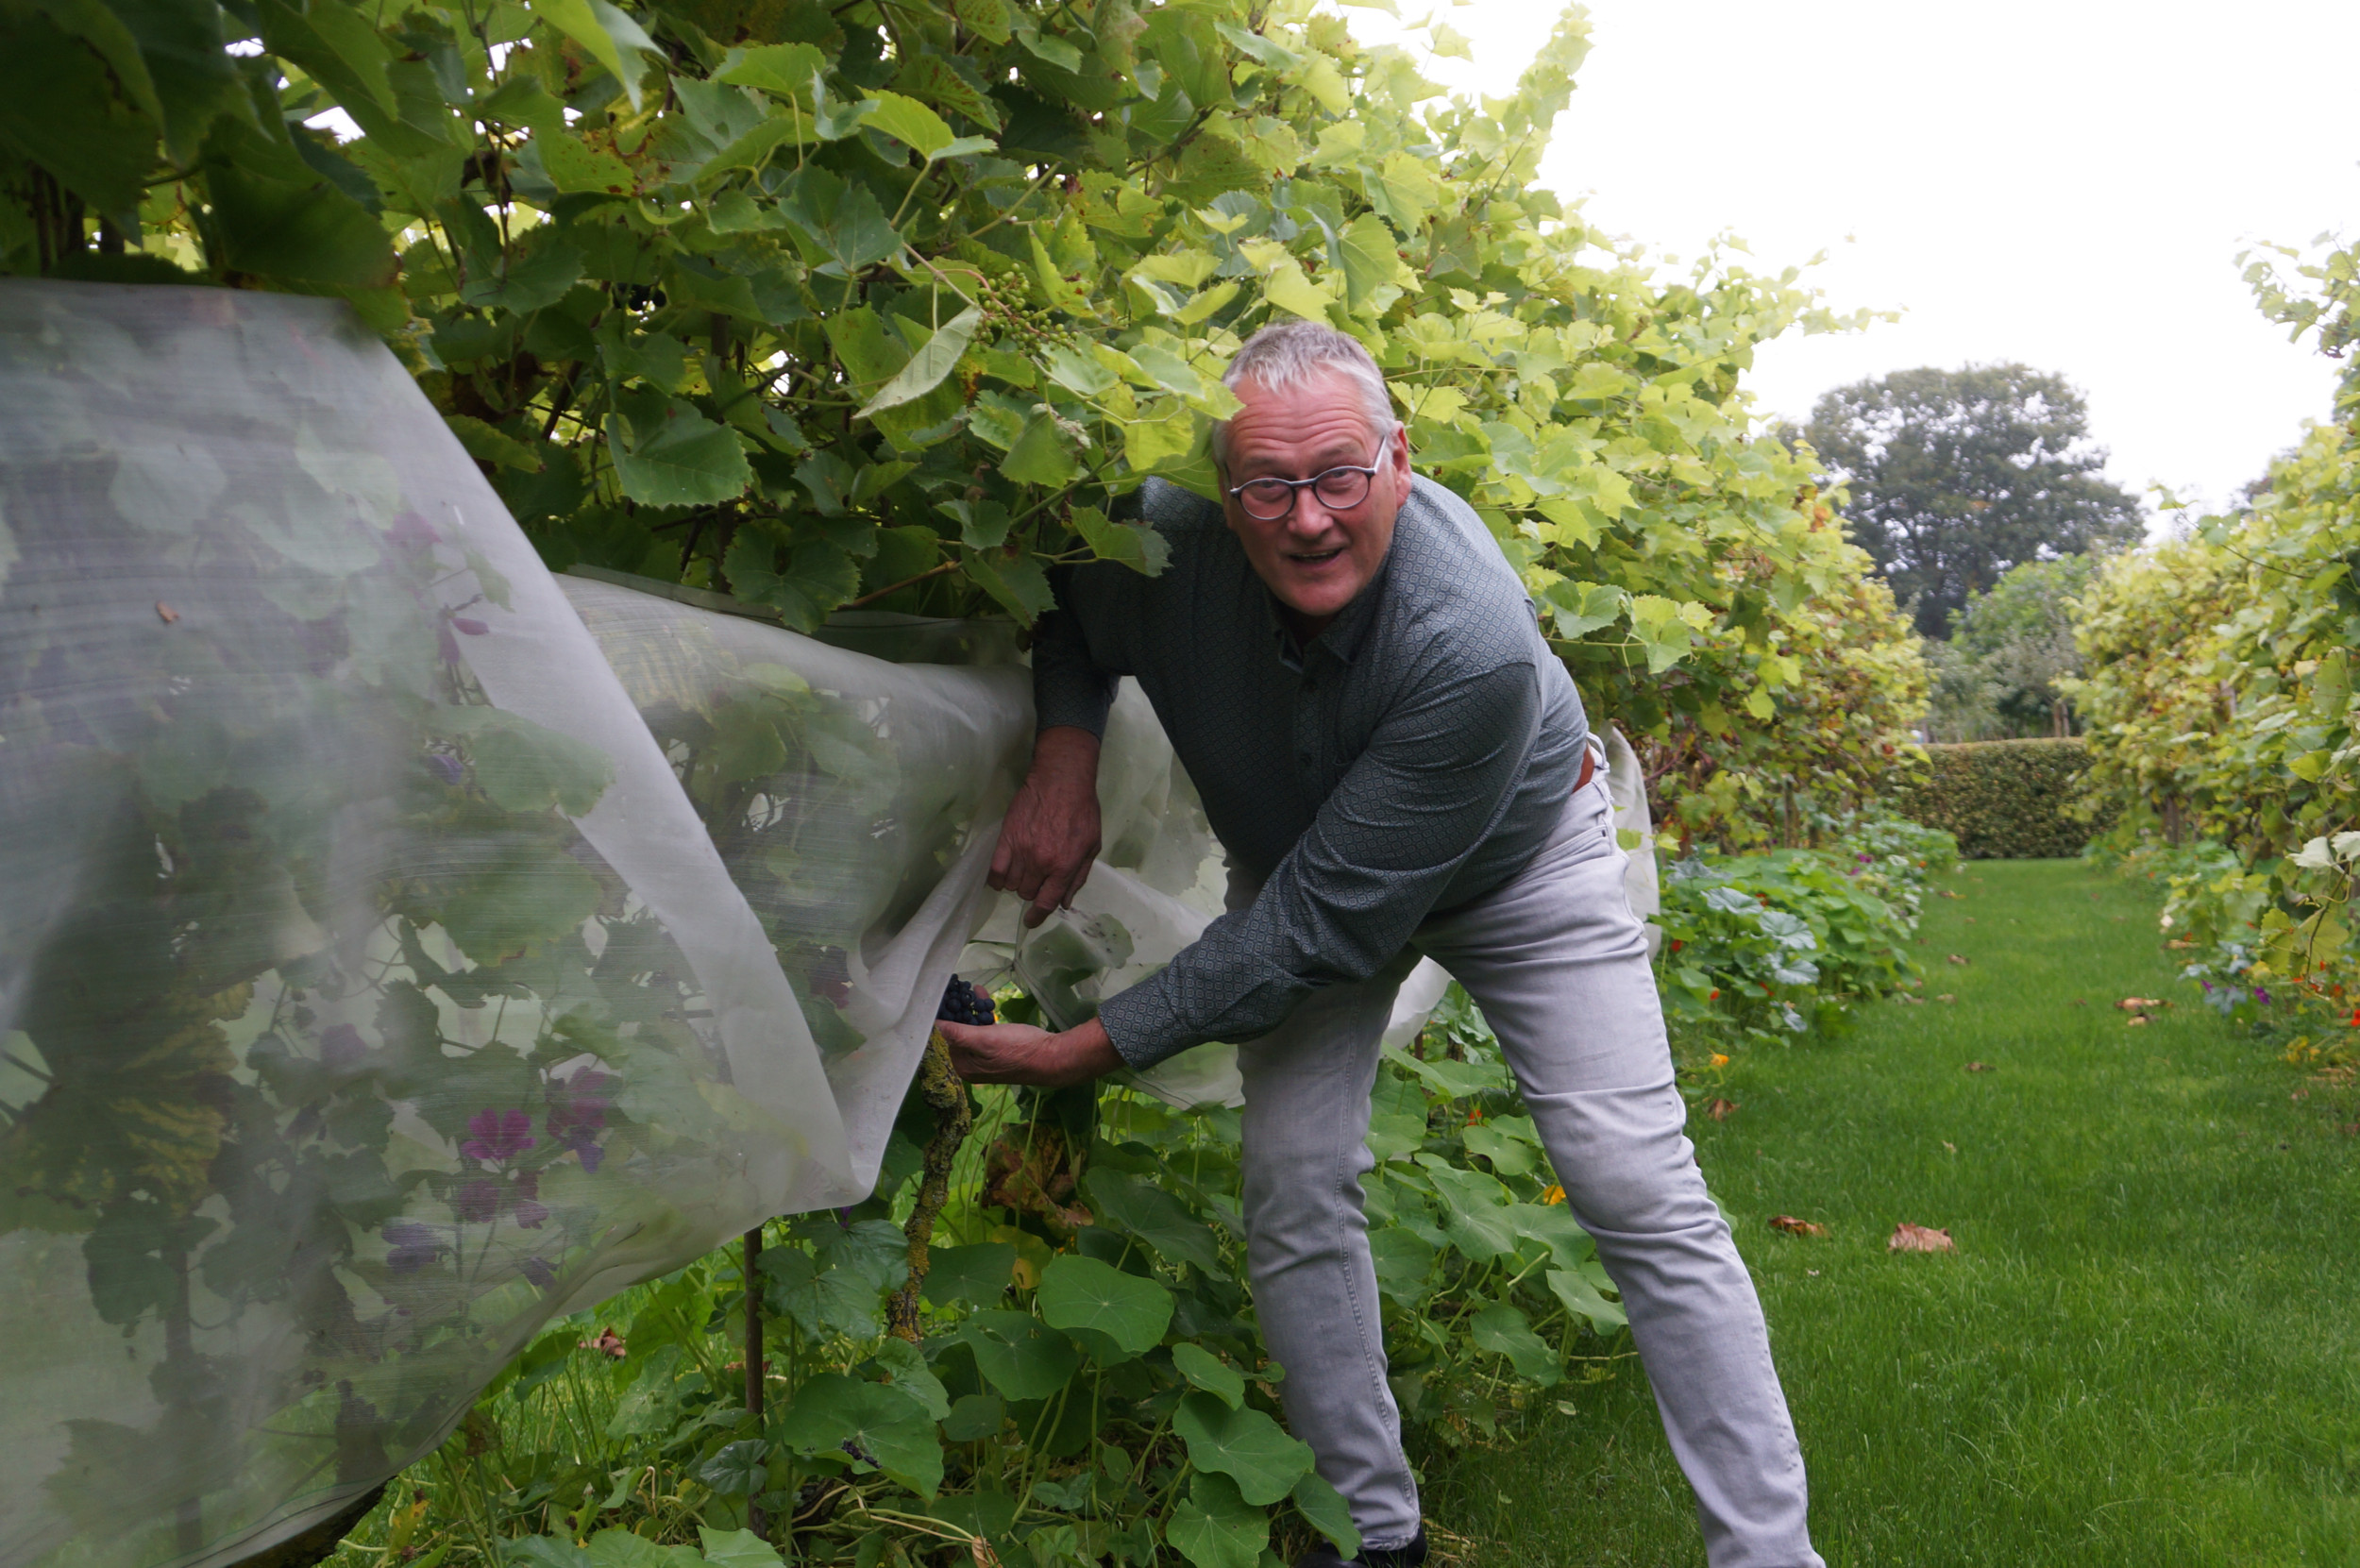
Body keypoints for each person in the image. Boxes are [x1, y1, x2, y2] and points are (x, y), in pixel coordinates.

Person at [933, 320, 1823, 1568]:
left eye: (1340, 475)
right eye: (1270, 486)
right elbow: (1072, 616)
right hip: (1309, 856)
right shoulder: (1163, 543)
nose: (1307, 518)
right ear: (1223, 491)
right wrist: (1066, 753)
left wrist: (1070, 1050)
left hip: (1521, 861)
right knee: (1293, 1174)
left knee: (1629, 1176)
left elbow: (1304, 934)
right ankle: (1370, 1535)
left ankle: (1769, 1555)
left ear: (1400, 461)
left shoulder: (1471, 642)